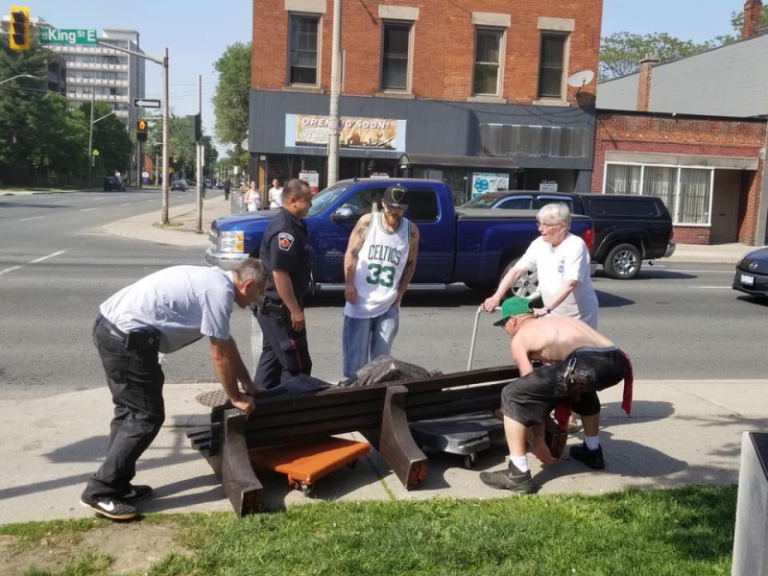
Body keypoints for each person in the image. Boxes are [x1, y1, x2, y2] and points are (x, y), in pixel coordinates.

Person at [80, 259, 269, 521]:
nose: (256, 301)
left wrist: (246, 383)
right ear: (247, 284)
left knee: (129, 413)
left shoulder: (215, 281)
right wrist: (235, 397)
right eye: (258, 293)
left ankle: (116, 484)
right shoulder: (219, 292)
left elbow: (226, 342)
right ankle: (100, 492)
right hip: (127, 340)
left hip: (112, 329)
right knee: (147, 416)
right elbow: (219, 354)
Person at [479, 297, 632, 494]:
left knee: (512, 394)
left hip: (587, 364)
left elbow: (528, 394)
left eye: (503, 325)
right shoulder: (558, 321)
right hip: (617, 361)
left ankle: (518, 474)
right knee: (582, 389)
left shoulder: (520, 338)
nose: (505, 330)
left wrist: (539, 441)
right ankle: (592, 451)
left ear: (513, 320)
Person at [342, 184, 420, 378]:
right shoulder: (367, 222)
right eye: (391, 207)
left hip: (388, 304)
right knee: (356, 367)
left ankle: (374, 404)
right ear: (383, 203)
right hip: (360, 303)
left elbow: (410, 264)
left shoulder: (411, 231)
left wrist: (400, 294)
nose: (395, 212)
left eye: (400, 208)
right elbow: (351, 254)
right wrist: (349, 284)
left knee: (381, 366)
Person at [482, 203, 598, 329]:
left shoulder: (575, 245)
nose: (540, 229)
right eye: (539, 223)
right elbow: (515, 271)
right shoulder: (539, 244)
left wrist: (546, 309)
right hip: (554, 311)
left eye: (546, 225)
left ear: (562, 226)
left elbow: (570, 283)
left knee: (577, 348)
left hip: (579, 315)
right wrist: (496, 297)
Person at [252, 179, 313, 389]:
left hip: (274, 308)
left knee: (272, 362)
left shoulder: (295, 223)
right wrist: (294, 310)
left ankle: (256, 404)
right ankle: (294, 417)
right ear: (293, 200)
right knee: (298, 368)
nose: (311, 205)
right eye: (308, 200)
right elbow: (280, 273)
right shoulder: (284, 230)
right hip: (281, 311)